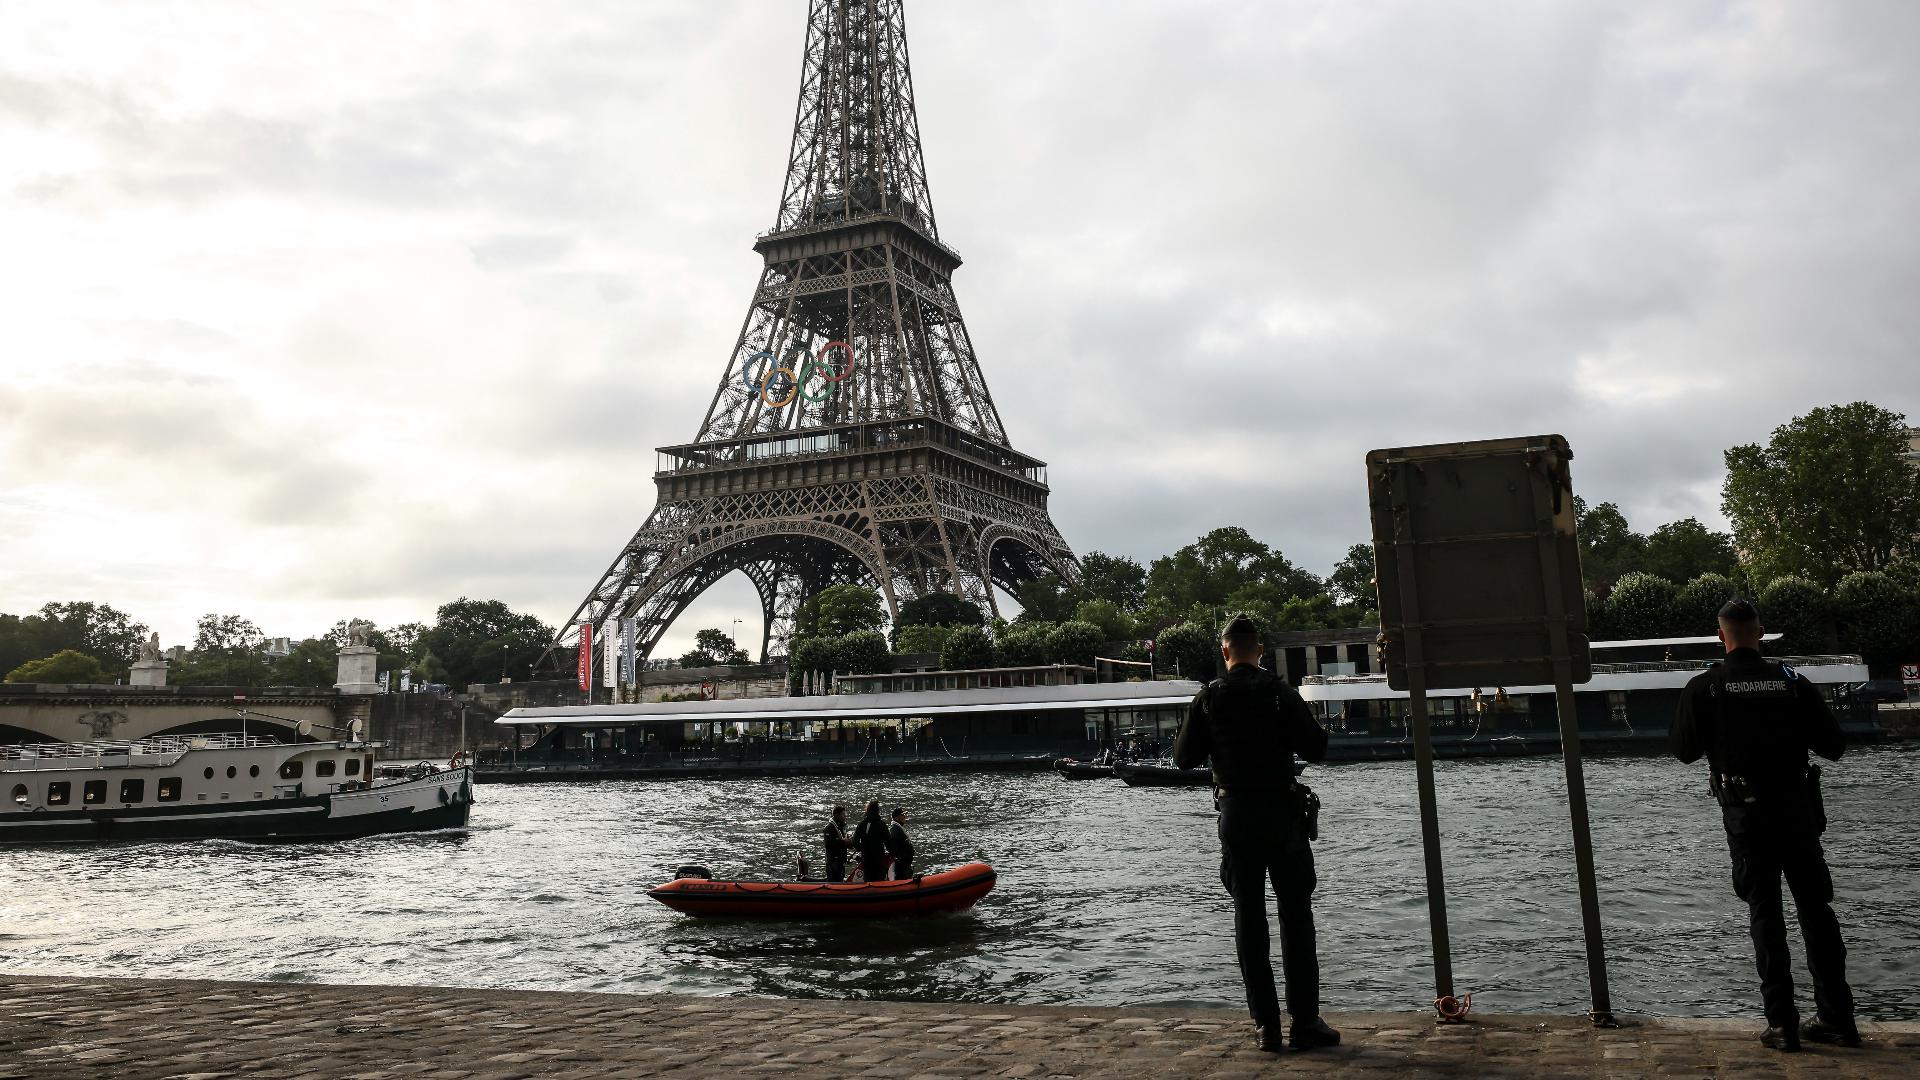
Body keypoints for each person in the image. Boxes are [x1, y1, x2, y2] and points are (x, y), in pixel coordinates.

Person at [1671, 598, 1858, 1052]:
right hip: (1798, 814)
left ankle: (1782, 1025)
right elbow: (1834, 745)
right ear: (1761, 633)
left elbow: (1683, 750)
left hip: (1746, 818)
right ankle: (1837, 1019)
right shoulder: (1792, 681)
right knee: (1817, 913)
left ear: (1721, 636)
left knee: (1766, 917)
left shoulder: (1706, 687)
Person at [1173, 613, 1337, 1054]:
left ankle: (1266, 1025)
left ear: (1224, 651)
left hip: (1237, 816)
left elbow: (1184, 758)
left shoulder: (1208, 698)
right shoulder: (1280, 694)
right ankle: (1305, 1022)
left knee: (1249, 921)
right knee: (1296, 920)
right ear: (1260, 651)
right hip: (1283, 816)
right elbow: (1317, 750)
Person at [851, 799, 890, 883]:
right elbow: (888, 841)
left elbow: (854, 841)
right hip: (879, 858)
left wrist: (862, 849)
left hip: (866, 858)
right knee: (880, 879)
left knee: (868, 879)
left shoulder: (862, 824)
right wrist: (893, 853)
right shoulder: (882, 824)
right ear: (877, 811)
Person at [822, 804, 851, 882]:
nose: (845, 816)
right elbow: (828, 844)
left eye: (845, 814)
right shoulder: (828, 828)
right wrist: (843, 842)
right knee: (834, 881)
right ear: (836, 815)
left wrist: (850, 843)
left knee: (840, 879)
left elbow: (845, 841)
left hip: (841, 860)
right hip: (833, 861)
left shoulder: (842, 828)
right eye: (843, 814)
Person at [886, 806, 916, 879]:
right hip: (902, 865)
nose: (905, 817)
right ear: (896, 818)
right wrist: (901, 859)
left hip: (905, 864)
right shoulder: (895, 830)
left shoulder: (898, 828)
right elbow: (894, 849)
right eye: (902, 815)